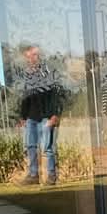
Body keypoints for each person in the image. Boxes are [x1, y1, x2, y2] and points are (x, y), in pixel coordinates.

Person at [14, 44, 66, 185]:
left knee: (47, 147)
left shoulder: (47, 73)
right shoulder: (27, 76)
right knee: (30, 146)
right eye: (29, 56)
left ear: (39, 56)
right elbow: (25, 98)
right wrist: (23, 117)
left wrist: (54, 115)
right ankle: (33, 176)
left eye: (34, 55)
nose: (31, 59)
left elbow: (56, 96)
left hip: (46, 117)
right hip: (31, 118)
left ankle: (51, 176)